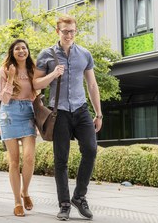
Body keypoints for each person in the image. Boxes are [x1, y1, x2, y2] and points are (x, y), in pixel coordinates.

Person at [33, 15, 103, 220]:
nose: (69, 34)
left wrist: (98, 113)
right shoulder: (46, 54)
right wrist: (53, 74)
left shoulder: (84, 54)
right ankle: (64, 204)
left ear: (76, 31)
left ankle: (79, 197)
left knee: (90, 150)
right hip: (59, 112)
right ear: (57, 32)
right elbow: (37, 84)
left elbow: (91, 85)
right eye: (65, 31)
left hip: (81, 110)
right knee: (61, 160)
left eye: (72, 31)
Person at [0, 39, 37, 217]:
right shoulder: (4, 69)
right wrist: (12, 77)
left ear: (27, 51)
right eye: (17, 48)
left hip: (27, 112)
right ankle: (17, 201)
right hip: (9, 113)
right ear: (12, 52)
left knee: (29, 158)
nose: (21, 51)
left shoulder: (33, 69)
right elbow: (4, 99)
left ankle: (25, 191)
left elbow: (36, 91)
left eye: (24, 48)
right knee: (14, 161)